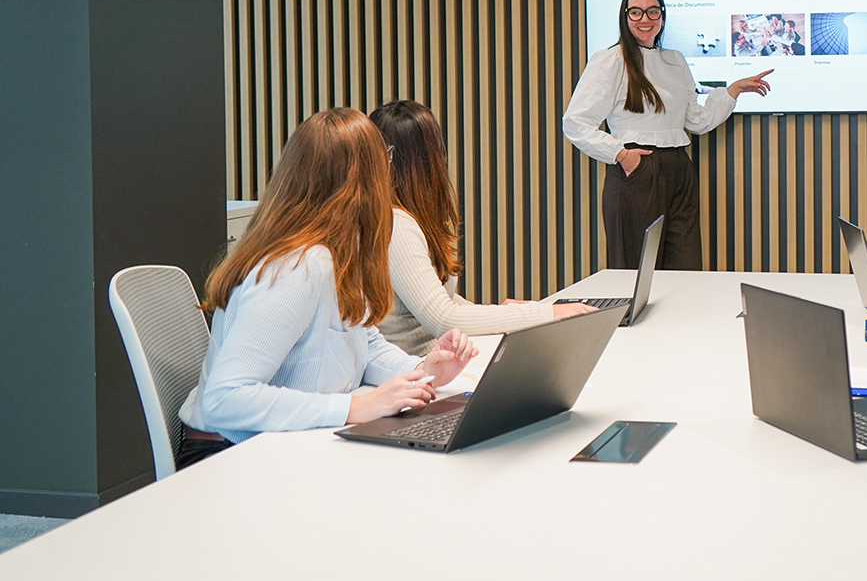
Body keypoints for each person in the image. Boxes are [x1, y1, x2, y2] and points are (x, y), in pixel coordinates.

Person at [176, 108, 479, 468]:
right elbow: (226, 398)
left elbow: (365, 345)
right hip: (228, 457)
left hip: (279, 444)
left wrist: (423, 371)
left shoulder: (337, 253)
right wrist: (356, 407)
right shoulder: (293, 269)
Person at [563, 0, 773, 269]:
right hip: (638, 168)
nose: (645, 20)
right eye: (635, 12)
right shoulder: (610, 60)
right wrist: (622, 155)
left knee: (685, 268)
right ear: (625, 17)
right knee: (636, 270)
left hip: (679, 167)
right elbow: (575, 122)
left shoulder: (675, 60)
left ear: (662, 16)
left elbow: (696, 122)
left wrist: (732, 91)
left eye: (652, 12)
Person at [370, 100, 595, 357]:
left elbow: (437, 300)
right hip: (415, 371)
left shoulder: (401, 215)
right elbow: (443, 319)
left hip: (433, 362)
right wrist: (546, 313)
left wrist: (511, 314)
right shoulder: (397, 225)